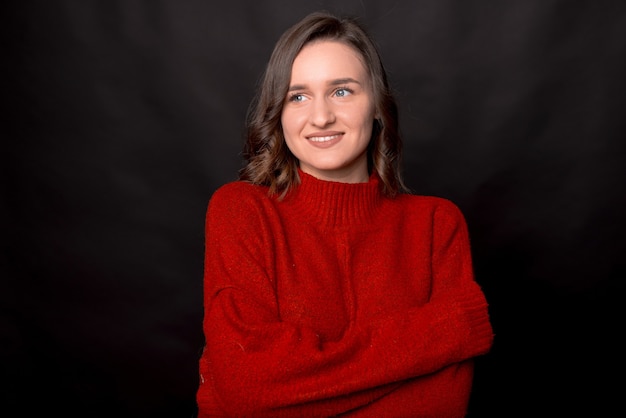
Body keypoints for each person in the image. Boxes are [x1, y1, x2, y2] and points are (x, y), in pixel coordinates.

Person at [196, 10, 494, 418]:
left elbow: (441, 404)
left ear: (376, 104)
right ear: (278, 114)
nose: (320, 117)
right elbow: (248, 387)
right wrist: (444, 333)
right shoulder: (241, 211)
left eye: (342, 91)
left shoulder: (436, 225)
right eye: (297, 96)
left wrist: (298, 388)